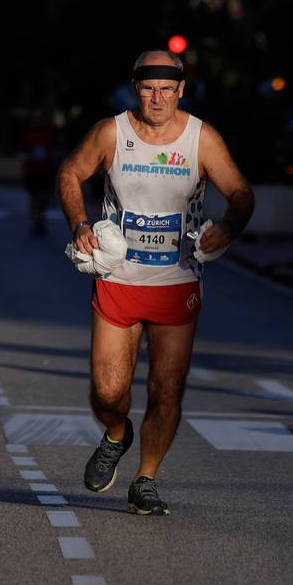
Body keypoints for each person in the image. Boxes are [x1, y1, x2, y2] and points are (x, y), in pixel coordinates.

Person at [57, 49, 254, 515]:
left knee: (167, 388)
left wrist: (230, 226)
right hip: (118, 280)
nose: (158, 98)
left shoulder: (202, 139)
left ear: (181, 90)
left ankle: (146, 479)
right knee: (108, 391)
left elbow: (242, 193)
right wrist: (80, 224)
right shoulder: (112, 132)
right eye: (149, 89)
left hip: (177, 281)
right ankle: (116, 433)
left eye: (167, 89)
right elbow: (70, 171)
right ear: (135, 88)